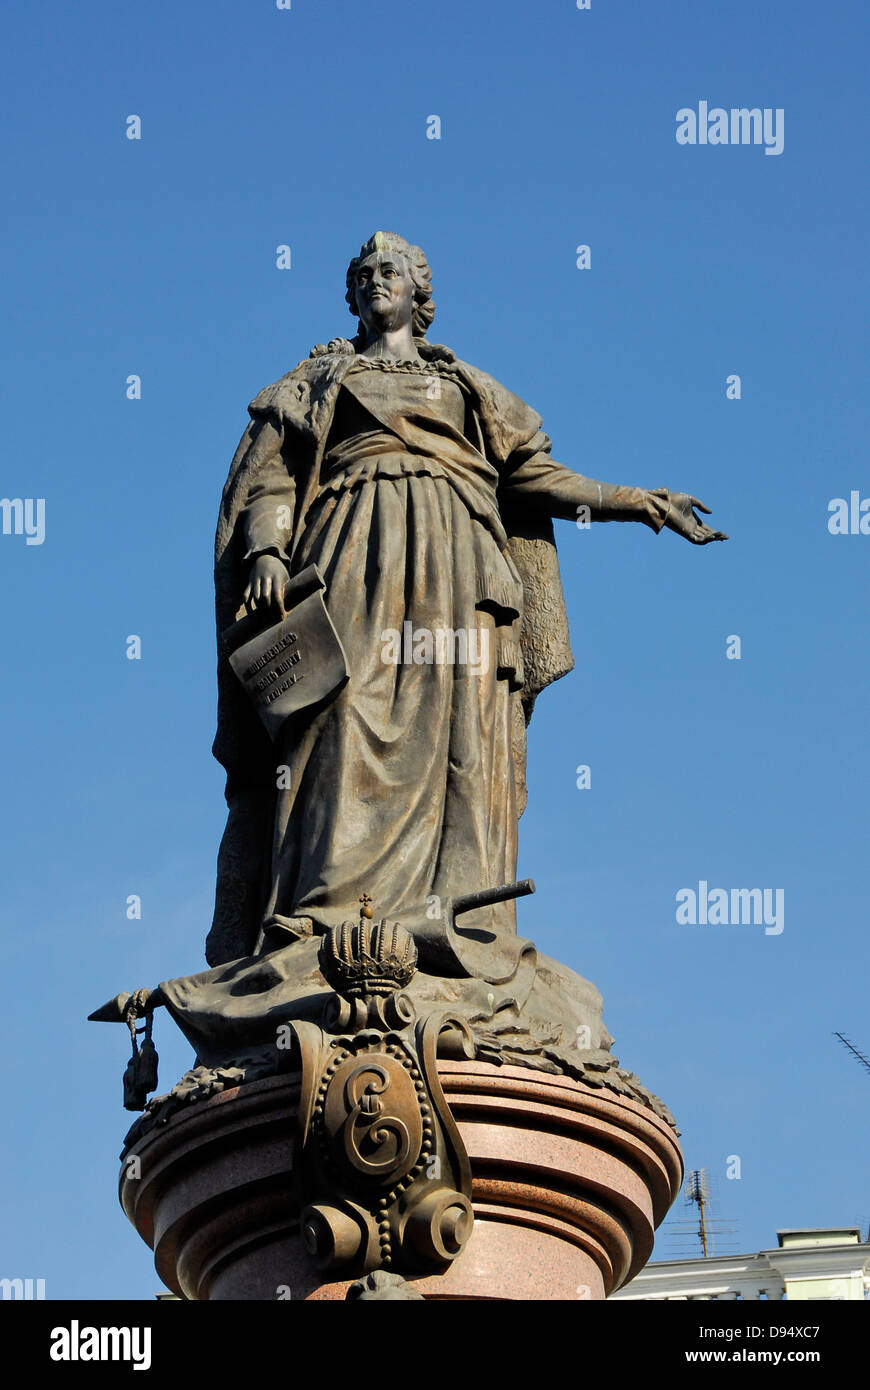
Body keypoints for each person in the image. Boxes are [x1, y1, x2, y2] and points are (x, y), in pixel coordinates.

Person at [206, 232, 725, 968]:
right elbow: (273, 477)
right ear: (351, 295)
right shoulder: (320, 380)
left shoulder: (465, 388)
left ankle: (457, 909)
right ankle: (321, 908)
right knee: (337, 713)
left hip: (458, 566)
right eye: (364, 273)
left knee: (463, 731)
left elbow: (538, 478)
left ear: (420, 293)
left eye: (391, 270)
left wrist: (640, 502)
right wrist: (265, 549)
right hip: (352, 552)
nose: (376, 279)